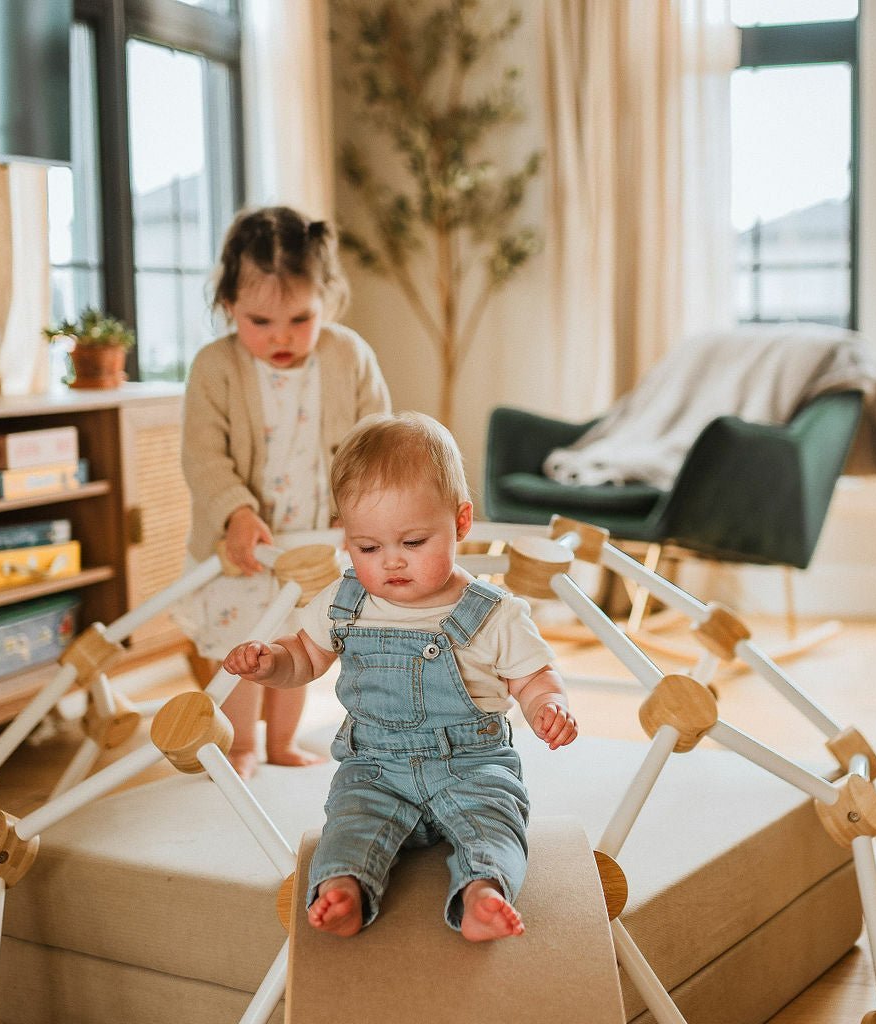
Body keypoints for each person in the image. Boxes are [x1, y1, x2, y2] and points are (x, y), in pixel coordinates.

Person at [223, 412, 577, 942]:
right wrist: (272, 663)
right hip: (374, 767)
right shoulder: (345, 600)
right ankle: (343, 888)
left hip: (472, 765)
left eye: (413, 543)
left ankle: (484, 893)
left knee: (497, 826)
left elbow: (534, 677)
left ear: (459, 523)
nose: (391, 563)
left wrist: (548, 706)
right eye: (368, 548)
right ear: (349, 539)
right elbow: (305, 657)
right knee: (348, 826)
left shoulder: (492, 611)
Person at [177, 205, 391, 778]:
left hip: (316, 543)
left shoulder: (349, 356)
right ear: (228, 306)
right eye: (260, 322)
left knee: (299, 644)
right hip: (245, 549)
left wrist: (363, 514)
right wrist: (237, 513)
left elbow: (375, 441)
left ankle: (281, 742)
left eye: (300, 319)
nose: (281, 338)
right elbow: (203, 457)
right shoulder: (214, 367)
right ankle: (242, 742)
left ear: (328, 301)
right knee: (247, 646)